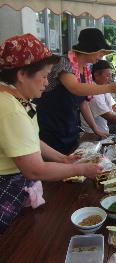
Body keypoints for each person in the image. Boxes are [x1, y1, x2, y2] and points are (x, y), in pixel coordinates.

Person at [0, 34, 103, 233]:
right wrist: (80, 170)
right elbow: (35, 170)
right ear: (22, 74)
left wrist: (63, 159)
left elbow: (31, 141)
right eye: (44, 76)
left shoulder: (14, 99)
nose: (47, 83)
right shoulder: (10, 109)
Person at [35, 28, 116, 154]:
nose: (102, 56)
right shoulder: (64, 62)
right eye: (100, 52)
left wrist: (95, 129)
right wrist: (110, 87)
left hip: (69, 126)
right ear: (90, 49)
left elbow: (83, 102)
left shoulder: (85, 71)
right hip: (51, 125)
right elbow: (75, 88)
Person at [80, 60, 116, 136]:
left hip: (104, 129)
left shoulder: (104, 87)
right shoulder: (94, 94)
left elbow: (114, 106)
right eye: (107, 76)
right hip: (92, 134)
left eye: (111, 75)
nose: (110, 79)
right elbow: (111, 118)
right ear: (96, 75)